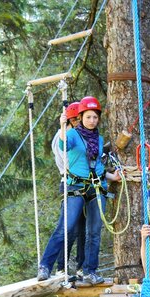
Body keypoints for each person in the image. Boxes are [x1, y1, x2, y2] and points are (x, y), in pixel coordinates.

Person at [37, 96, 121, 284]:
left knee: (94, 232)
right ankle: (45, 266)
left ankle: (90, 271)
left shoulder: (98, 139)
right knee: (65, 228)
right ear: (81, 117)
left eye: (95, 117)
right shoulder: (72, 135)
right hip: (75, 186)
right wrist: (62, 127)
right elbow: (63, 146)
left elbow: (96, 163)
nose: (92, 121)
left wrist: (110, 176)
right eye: (88, 117)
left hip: (96, 186)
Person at [52, 102, 86, 277]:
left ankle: (81, 267)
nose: (80, 123)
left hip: (81, 184)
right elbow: (71, 162)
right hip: (71, 182)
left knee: (82, 228)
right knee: (69, 227)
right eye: (77, 120)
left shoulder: (75, 135)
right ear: (71, 120)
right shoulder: (64, 137)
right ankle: (61, 267)